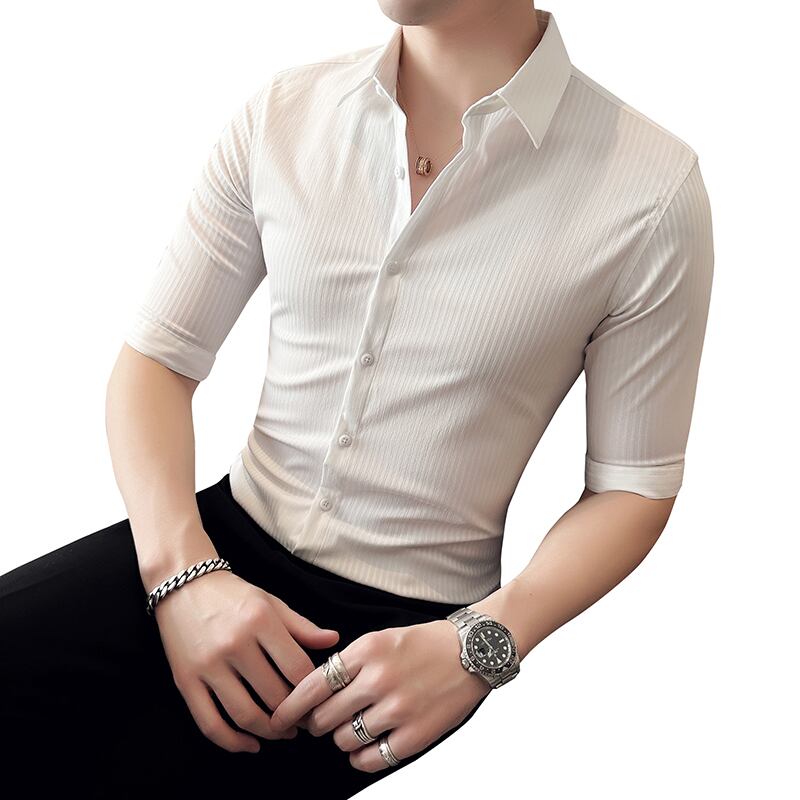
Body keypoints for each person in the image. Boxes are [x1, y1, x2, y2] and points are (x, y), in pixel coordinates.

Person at [0, 1, 714, 796]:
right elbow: (157, 362)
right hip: (206, 546)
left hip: (405, 646)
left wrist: (484, 644)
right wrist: (187, 574)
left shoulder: (651, 189)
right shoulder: (286, 111)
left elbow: (632, 486)